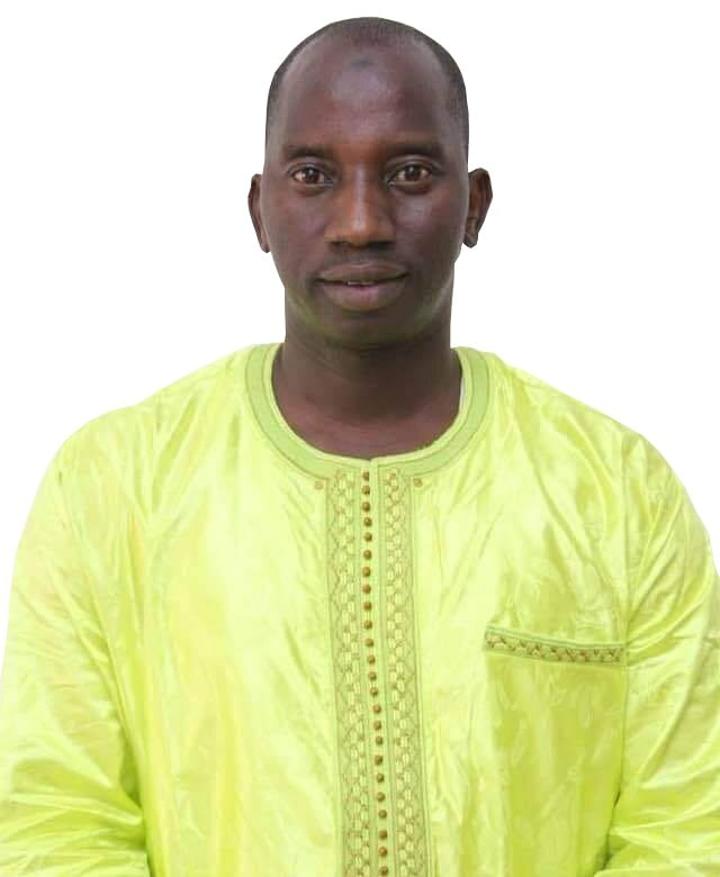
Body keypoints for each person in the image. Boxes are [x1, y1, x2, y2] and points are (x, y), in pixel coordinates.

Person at [0, 15, 718, 876]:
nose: (360, 221)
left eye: (409, 172)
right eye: (314, 175)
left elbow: (691, 830)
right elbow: (55, 824)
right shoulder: (115, 485)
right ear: (261, 210)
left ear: (474, 204)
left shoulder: (614, 492)